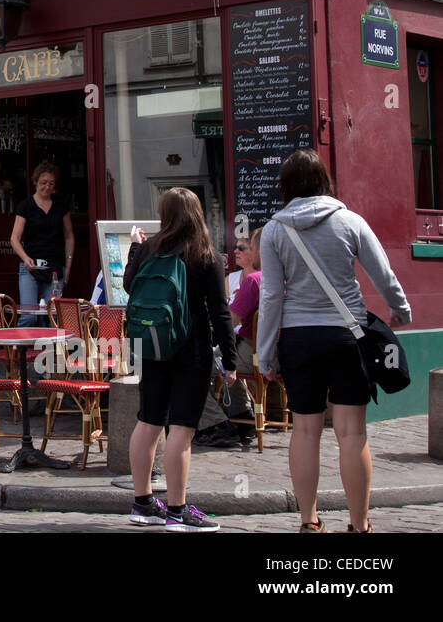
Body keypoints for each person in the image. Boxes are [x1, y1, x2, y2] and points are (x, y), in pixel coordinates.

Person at [257, 149, 411, 534]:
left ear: (286, 186)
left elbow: (272, 296)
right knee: (351, 432)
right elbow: (383, 273)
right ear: (324, 179)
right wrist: (400, 309)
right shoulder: (349, 221)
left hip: (298, 339)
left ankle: (309, 521)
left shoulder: (275, 230)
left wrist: (264, 352)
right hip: (348, 335)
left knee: (305, 430)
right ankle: (359, 525)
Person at [125, 187, 236, 532]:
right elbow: (220, 313)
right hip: (191, 349)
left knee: (149, 422)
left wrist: (133, 247)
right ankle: (177, 510)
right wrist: (230, 360)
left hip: (151, 345)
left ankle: (142, 503)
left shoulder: (147, 250)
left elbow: (129, 285)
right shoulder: (206, 256)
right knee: (182, 429)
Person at [195, 230, 262, 447]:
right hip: (275, 353)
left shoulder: (253, 281)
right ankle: (243, 417)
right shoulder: (281, 277)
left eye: (247, 247)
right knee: (225, 357)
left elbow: (230, 320)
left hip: (253, 355)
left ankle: (215, 425)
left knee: (196, 368)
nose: (238, 251)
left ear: (257, 252)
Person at [10, 161, 74, 324]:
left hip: (55, 266)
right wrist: (25, 258)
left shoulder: (61, 207)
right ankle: (20, 348)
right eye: (43, 183)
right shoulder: (26, 206)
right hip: (30, 266)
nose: (47, 187)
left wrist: (68, 264)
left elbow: (69, 236)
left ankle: (52, 349)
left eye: (51, 184)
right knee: (29, 315)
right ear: (35, 183)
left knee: (54, 314)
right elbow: (14, 238)